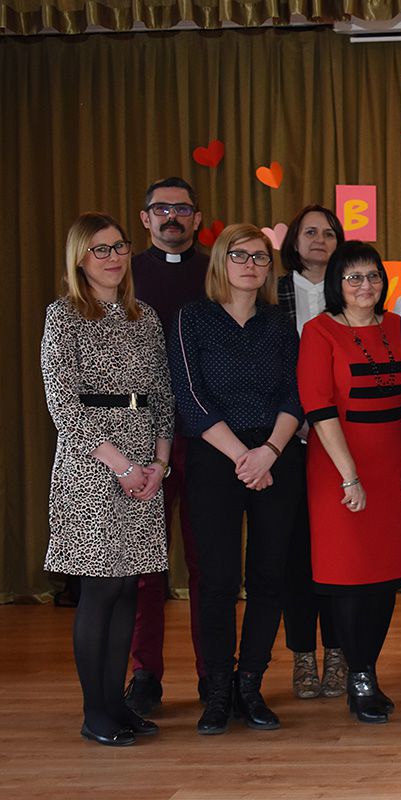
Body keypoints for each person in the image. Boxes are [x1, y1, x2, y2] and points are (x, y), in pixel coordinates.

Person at [41, 212, 175, 746]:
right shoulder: (64, 315)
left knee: (129, 587)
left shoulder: (146, 316)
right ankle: (94, 711)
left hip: (144, 464)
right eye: (100, 249)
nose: (114, 257)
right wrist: (119, 464)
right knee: (101, 587)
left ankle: (117, 705)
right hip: (91, 465)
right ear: (79, 258)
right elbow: (64, 404)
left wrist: (159, 464)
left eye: (119, 246)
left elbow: (163, 397)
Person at [168, 224, 305, 735]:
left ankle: (251, 685)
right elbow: (190, 397)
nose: (251, 265)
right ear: (221, 262)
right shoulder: (193, 318)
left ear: (270, 268)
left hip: (275, 457)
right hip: (214, 458)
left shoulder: (279, 323)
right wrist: (244, 457)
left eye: (260, 257)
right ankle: (219, 691)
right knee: (218, 580)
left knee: (269, 576)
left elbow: (296, 393)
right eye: (239, 255)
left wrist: (268, 453)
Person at [297, 241, 401, 724]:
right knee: (350, 578)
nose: (365, 285)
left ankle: (367, 668)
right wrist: (350, 476)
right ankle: (360, 678)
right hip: (339, 470)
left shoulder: (399, 327)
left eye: (372, 275)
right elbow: (319, 407)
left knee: (385, 576)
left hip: (395, 469)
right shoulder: (319, 331)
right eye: (353, 277)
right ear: (337, 284)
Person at [125, 177, 209, 715]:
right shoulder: (124, 274)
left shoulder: (216, 272)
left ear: (196, 218)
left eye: (181, 208)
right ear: (145, 218)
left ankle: (213, 676)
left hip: (205, 438)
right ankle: (144, 675)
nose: (171, 217)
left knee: (208, 565)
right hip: (142, 440)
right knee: (146, 567)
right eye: (161, 209)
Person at [277, 204, 348, 701]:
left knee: (338, 551)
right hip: (286, 441)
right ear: (295, 242)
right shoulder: (272, 292)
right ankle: (303, 654)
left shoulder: (352, 291)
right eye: (310, 232)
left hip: (342, 442)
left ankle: (339, 651)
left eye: (329, 232)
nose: (319, 239)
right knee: (294, 554)